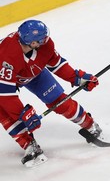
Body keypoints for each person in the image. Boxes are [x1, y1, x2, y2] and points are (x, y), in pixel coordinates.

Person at [0, 20, 102, 167]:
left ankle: (91, 125)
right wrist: (22, 113)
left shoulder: (45, 45)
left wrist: (77, 77)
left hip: (30, 73)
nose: (45, 40)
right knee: (6, 112)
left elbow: (56, 63)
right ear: (31, 42)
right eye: (41, 39)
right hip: (3, 80)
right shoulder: (7, 55)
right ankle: (29, 145)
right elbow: (5, 94)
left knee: (59, 101)